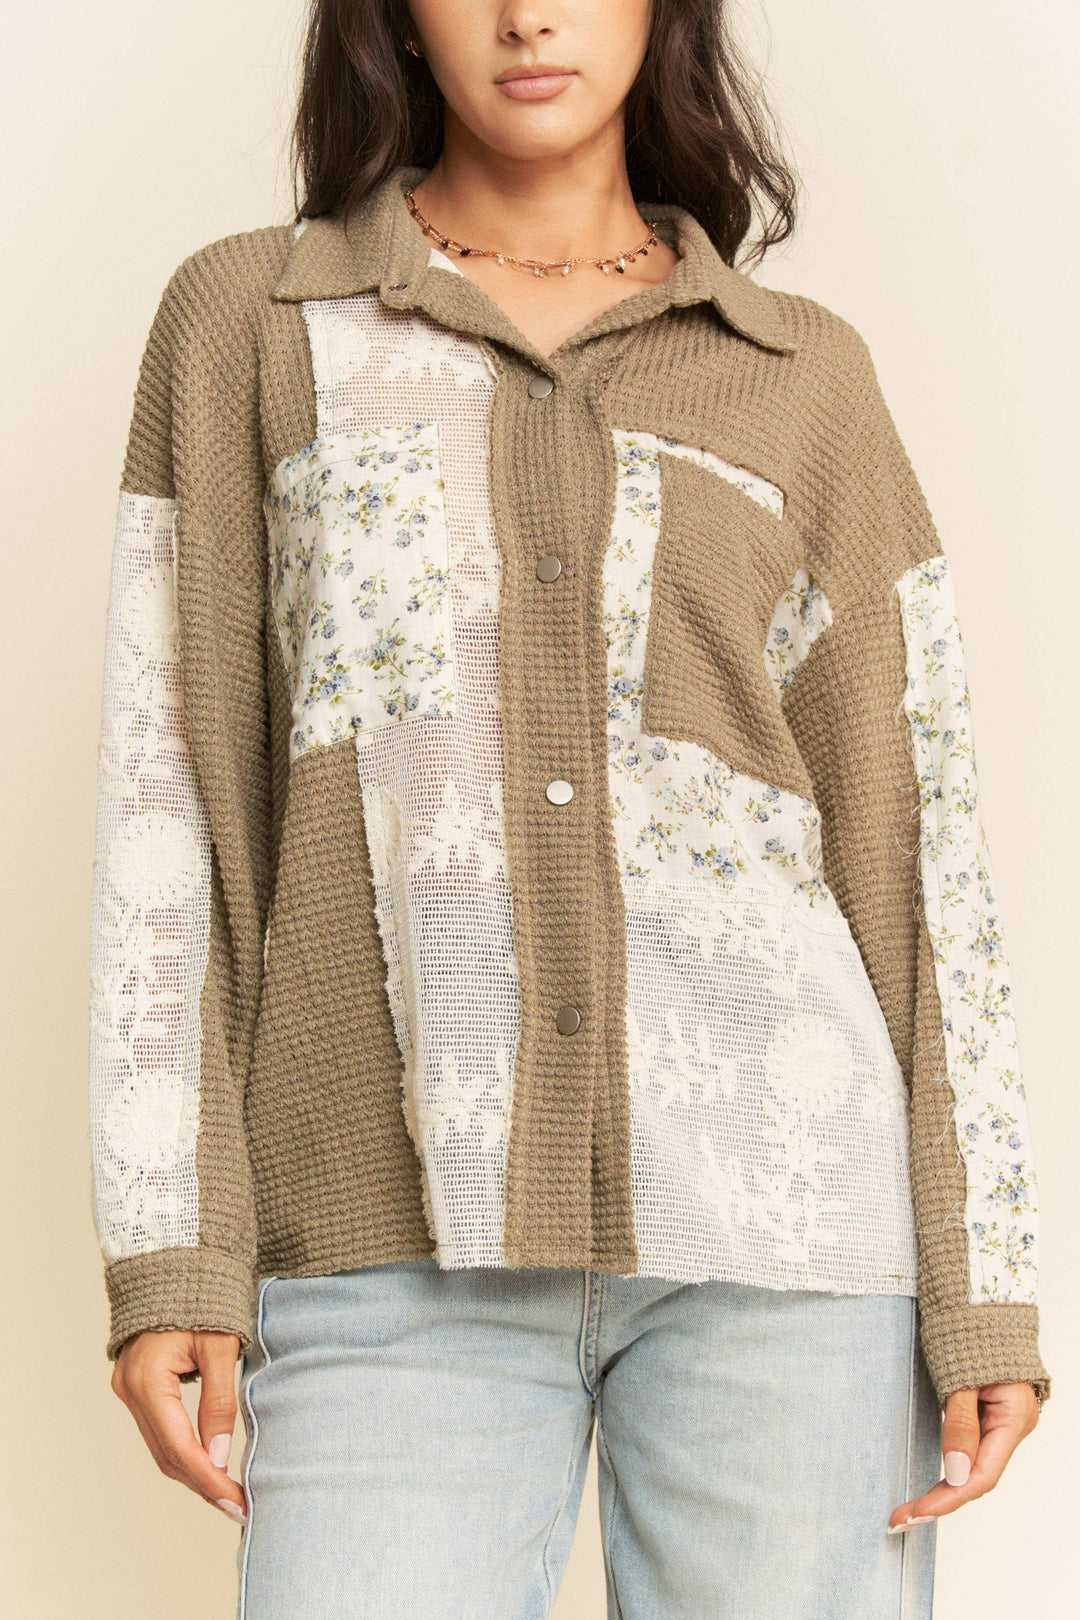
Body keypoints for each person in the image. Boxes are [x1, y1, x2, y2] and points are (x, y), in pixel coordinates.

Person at [89, 3, 1050, 1616]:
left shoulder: (804, 376)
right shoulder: (252, 323)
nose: (529, 14)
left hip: (788, 1238)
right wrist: (171, 1243)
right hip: (382, 1232)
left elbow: (916, 841)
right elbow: (168, 794)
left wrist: (982, 1283)